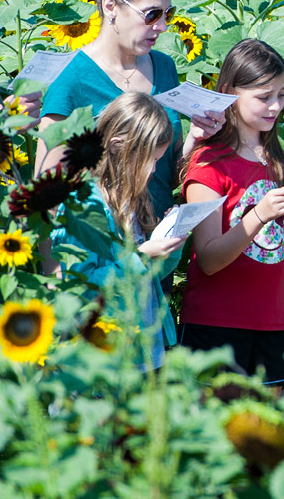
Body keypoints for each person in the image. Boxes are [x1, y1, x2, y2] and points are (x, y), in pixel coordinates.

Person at [33, 0, 222, 224]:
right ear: (110, 6)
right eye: (151, 14)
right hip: (98, 257)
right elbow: (46, 192)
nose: (161, 26)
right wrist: (56, 269)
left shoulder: (164, 68)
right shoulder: (71, 79)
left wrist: (196, 138)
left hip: (156, 251)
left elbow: (165, 174)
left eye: (167, 14)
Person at [180, 39, 284, 383]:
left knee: (268, 432)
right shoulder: (209, 163)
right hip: (216, 324)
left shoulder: (278, 161)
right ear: (230, 92)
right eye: (263, 96)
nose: (275, 106)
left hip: (273, 325)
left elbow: (273, 256)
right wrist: (258, 215)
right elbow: (210, 260)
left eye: (282, 94)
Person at [50, 93, 187, 367]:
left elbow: (149, 274)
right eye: (150, 159)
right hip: (102, 354)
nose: (154, 170)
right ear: (116, 147)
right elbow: (81, 282)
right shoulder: (84, 206)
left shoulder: (131, 200)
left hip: (143, 346)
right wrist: (141, 255)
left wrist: (172, 243)